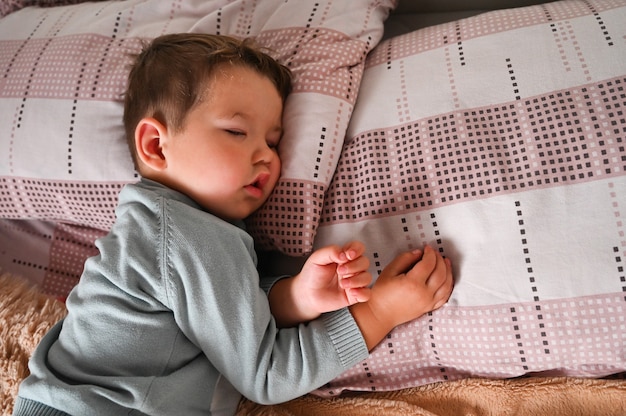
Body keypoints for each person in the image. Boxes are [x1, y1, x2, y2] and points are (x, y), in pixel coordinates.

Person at [13, 33, 454, 416]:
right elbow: (267, 375)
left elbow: (211, 318)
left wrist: (293, 297)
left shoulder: (161, 227)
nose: (265, 155)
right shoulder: (190, 235)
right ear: (156, 145)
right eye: (236, 132)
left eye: (274, 141)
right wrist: (378, 312)